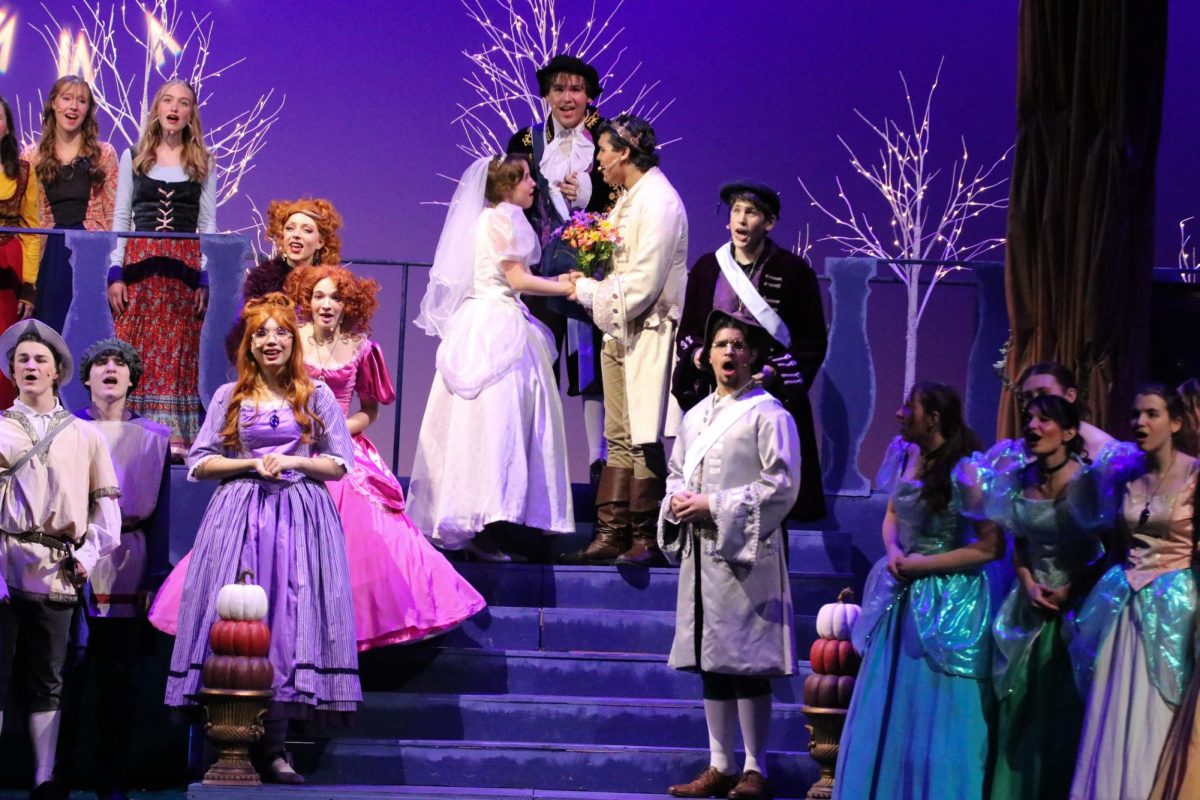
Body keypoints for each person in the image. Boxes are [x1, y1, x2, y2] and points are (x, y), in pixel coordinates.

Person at [162, 294, 360, 783]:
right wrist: (251, 463)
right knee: (235, 621)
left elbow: (339, 463)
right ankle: (229, 747)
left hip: (298, 519)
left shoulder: (314, 396)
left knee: (289, 624)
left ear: (293, 341)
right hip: (241, 519)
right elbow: (200, 461)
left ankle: (274, 750)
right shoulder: (231, 395)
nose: (271, 341)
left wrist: (292, 460)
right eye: (261, 334)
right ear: (249, 345)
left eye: (280, 333)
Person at [292, 264, 485, 647]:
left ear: (349, 304)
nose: (327, 304)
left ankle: (359, 622)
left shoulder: (362, 347)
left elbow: (370, 411)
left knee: (371, 521)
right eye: (319, 296)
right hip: (294, 440)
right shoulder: (292, 340)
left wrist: (334, 430)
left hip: (343, 443)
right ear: (307, 301)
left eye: (336, 297)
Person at [832, 381, 1003, 800]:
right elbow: (893, 513)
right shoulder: (906, 453)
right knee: (894, 706)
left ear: (933, 418)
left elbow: (990, 546)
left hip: (947, 601)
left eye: (910, 407)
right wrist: (892, 550)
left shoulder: (966, 471)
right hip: (903, 594)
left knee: (937, 709)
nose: (900, 413)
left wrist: (924, 565)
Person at [660, 311, 800, 800]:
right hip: (702, 556)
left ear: (753, 354)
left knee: (745, 662)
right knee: (712, 661)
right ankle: (719, 764)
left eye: (738, 344)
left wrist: (713, 505)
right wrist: (677, 501)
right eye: (721, 344)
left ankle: (754, 767)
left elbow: (781, 486)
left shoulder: (769, 414)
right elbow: (677, 472)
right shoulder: (694, 416)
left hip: (746, 555)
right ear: (710, 354)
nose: (728, 353)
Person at [409, 155, 576, 560]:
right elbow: (516, 280)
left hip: (481, 320)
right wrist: (566, 285)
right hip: (497, 323)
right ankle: (497, 516)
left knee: (476, 425)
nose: (533, 186)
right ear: (506, 186)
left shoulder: (482, 219)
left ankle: (474, 515)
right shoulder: (503, 218)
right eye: (525, 180)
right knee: (499, 422)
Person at [978, 395, 1135, 799]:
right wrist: (1029, 583)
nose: (1031, 426)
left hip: (1075, 611)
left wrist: (1071, 589)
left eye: (1044, 420)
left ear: (1069, 433)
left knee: (1061, 717)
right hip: (1028, 606)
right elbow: (1021, 544)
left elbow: (1112, 551)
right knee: (1018, 711)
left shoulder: (1087, 483)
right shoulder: (1018, 479)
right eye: (1029, 418)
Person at [0, 319, 121, 800]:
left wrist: (88, 555)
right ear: (12, 371)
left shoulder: (85, 435)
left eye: (39, 359)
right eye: (22, 359)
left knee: (47, 677)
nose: (31, 365)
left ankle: (44, 779)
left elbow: (107, 506)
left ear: (57, 371)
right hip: (4, 564)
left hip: (56, 571)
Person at [561, 114, 688, 567]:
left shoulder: (659, 202)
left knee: (642, 435)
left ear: (625, 153)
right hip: (619, 329)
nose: (599, 160)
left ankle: (645, 536)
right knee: (616, 435)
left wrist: (589, 290)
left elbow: (643, 282)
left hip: (648, 331)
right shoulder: (629, 199)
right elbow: (619, 269)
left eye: (603, 152)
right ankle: (611, 532)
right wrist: (591, 277)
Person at [1069, 385, 1199, 800]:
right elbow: (1113, 543)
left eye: (1152, 414)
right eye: (1136, 414)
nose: (1140, 423)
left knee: (1156, 706)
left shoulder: (1196, 474)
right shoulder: (1126, 475)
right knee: (1111, 705)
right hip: (1123, 600)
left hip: (1175, 602)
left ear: (1175, 423)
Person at [672, 181, 827, 521]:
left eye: (751, 213)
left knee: (769, 494)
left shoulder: (794, 272)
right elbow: (689, 331)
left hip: (767, 397)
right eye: (736, 212)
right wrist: (700, 356)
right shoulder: (706, 269)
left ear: (768, 222)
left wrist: (771, 373)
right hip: (717, 393)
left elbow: (811, 340)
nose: (741, 221)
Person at [58, 338, 170, 800]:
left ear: (131, 378)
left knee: (118, 677)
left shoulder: (154, 436)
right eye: (101, 362)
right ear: (85, 377)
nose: (110, 369)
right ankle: (59, 772)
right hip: (72, 558)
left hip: (128, 556)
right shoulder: (65, 430)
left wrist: (154, 578)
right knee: (68, 674)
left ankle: (112, 776)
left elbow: (160, 511)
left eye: (119, 364)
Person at [507, 54, 615, 482]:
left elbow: (627, 187)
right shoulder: (526, 140)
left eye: (575, 89)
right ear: (547, 95)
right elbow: (510, 194)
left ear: (589, 95)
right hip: (541, 274)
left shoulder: (611, 138)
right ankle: (538, 469)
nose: (567, 98)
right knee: (540, 364)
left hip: (600, 272)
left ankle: (602, 464)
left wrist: (589, 189)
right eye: (558, 89)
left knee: (597, 370)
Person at [107, 80, 215, 458]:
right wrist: (115, 271)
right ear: (157, 108)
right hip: (142, 263)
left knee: (180, 355)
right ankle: (128, 437)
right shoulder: (135, 156)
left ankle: (175, 445)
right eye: (168, 100)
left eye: (183, 103)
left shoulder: (202, 161)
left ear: (190, 115)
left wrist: (205, 275)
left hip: (183, 269)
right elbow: (122, 216)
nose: (174, 107)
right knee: (136, 349)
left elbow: (209, 225)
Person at [22, 76, 118, 333]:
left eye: (81, 101)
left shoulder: (104, 155)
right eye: (67, 98)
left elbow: (114, 215)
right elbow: (25, 219)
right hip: (49, 256)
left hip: (90, 254)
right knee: (48, 332)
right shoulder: (31, 157)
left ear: (88, 110)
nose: (73, 106)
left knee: (85, 333)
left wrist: (115, 267)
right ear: (54, 103)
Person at [224, 197, 344, 362]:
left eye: (307, 230)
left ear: (320, 242)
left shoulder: (330, 283)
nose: (296, 235)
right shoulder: (261, 281)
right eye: (290, 228)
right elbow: (243, 335)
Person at [0, 96, 44, 409]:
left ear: (6, 128)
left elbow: (31, 232)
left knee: (4, 342)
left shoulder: (24, 172)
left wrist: (29, 287)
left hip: (8, 263)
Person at [1018, 362, 1114, 460]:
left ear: (1070, 396)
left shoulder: (1103, 449)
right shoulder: (1018, 451)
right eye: (1028, 397)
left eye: (1044, 393)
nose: (1035, 401)